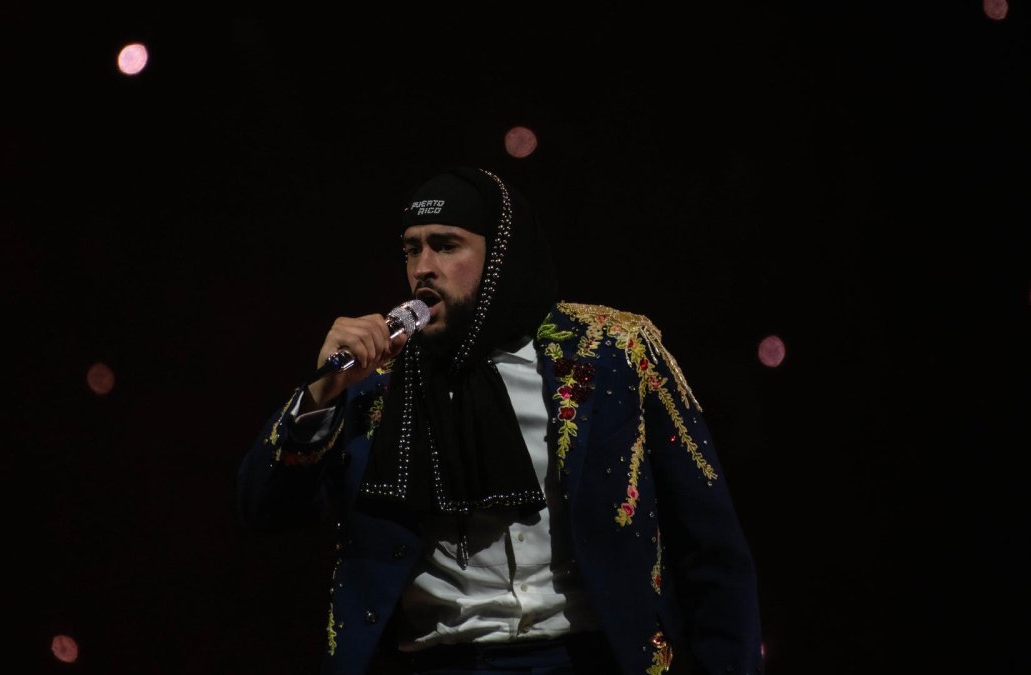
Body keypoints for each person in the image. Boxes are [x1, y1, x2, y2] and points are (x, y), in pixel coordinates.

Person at [238, 167, 763, 675]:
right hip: (441, 661)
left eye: (446, 245)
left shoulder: (613, 352)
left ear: (500, 256)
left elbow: (709, 548)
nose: (422, 266)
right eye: (411, 248)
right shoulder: (376, 377)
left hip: (589, 657)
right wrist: (323, 390)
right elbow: (264, 509)